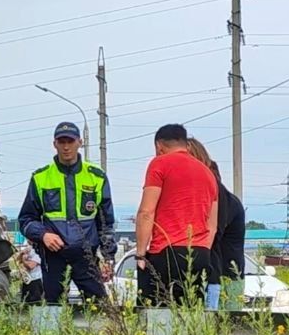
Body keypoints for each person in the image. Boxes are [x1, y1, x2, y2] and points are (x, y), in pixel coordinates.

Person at [17, 121, 117, 304]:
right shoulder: (41, 178)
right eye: (61, 142)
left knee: (101, 311)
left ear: (80, 142)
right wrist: (44, 234)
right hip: (54, 258)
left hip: (86, 257)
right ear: (54, 144)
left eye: (70, 141)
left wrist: (108, 257)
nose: (66, 147)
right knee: (52, 312)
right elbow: (25, 220)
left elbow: (105, 223)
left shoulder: (96, 176)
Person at [134, 124, 218, 306]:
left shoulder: (160, 163)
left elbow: (146, 212)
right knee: (191, 316)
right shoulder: (208, 173)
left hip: (167, 252)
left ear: (159, 146)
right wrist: (202, 250)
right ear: (185, 145)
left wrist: (140, 254)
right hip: (200, 254)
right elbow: (212, 225)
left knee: (156, 316)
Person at [186, 137, 246, 310]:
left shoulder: (217, 194)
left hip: (224, 276)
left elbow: (211, 234)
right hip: (215, 274)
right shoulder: (210, 190)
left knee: (222, 329)